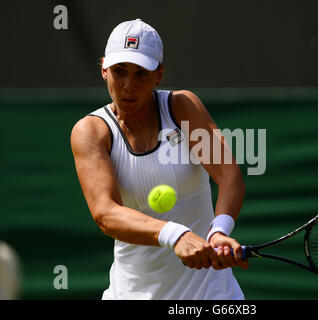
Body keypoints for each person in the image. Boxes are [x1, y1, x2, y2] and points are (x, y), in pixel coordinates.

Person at [70, 18, 248, 300]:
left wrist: (219, 230)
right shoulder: (90, 131)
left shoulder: (183, 108)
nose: (128, 85)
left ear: (159, 74)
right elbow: (105, 213)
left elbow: (228, 174)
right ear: (103, 69)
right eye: (119, 71)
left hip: (212, 294)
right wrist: (176, 235)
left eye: (141, 73)